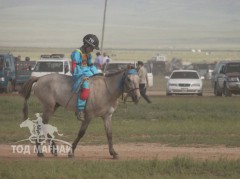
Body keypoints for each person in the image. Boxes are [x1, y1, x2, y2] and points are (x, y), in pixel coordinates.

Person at [71, 34, 99, 121]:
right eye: (92, 48)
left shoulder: (88, 54)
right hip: (78, 73)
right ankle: (80, 110)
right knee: (86, 87)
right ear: (86, 45)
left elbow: (90, 65)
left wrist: (97, 73)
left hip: (87, 72)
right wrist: (82, 76)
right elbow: (74, 67)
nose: (92, 50)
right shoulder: (77, 53)